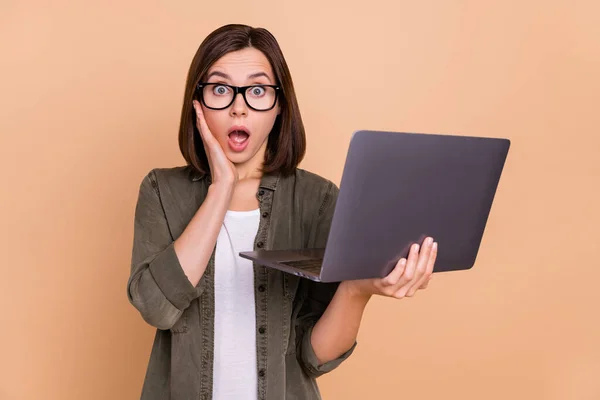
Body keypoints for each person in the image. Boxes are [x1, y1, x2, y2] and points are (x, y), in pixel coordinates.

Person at [127, 23, 438, 400]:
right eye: (221, 89)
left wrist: (358, 289)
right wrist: (221, 188)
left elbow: (314, 356)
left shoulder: (317, 199)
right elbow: (156, 308)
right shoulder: (161, 189)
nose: (238, 106)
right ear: (197, 104)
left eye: (257, 90)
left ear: (279, 107)